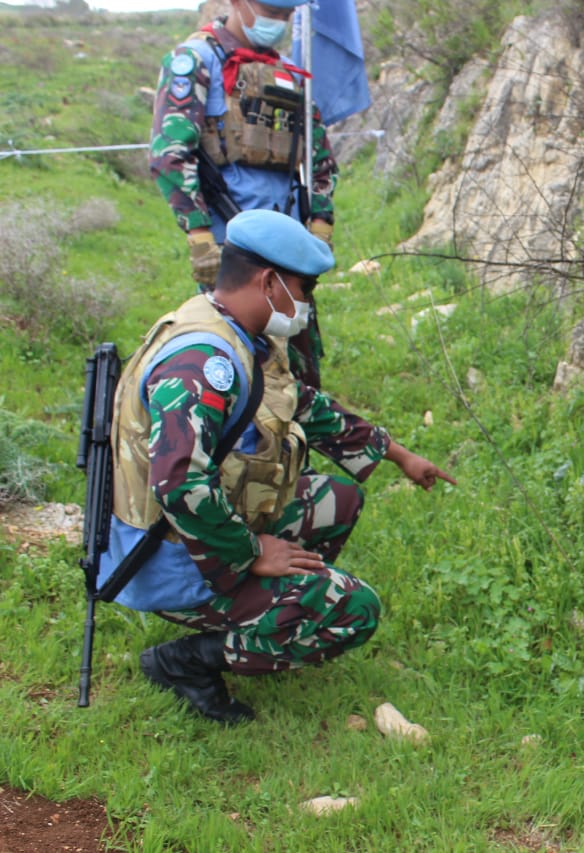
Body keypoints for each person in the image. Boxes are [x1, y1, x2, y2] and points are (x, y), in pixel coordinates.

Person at [98, 209, 456, 724]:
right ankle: (187, 661)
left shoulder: (237, 329)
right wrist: (250, 553)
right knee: (356, 609)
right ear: (268, 281)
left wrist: (397, 455)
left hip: (191, 537)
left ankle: (264, 618)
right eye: (305, 287)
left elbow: (300, 403)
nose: (308, 302)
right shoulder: (204, 362)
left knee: (339, 499)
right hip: (169, 558)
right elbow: (179, 484)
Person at [149, 0, 338, 387]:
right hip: (233, 251)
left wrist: (320, 224)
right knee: (240, 366)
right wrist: (199, 236)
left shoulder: (289, 73)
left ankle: (297, 441)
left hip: (289, 248)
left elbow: (320, 159)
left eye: (286, 16)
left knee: (299, 371)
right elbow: (170, 156)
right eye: (270, 11)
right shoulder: (196, 61)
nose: (277, 22)